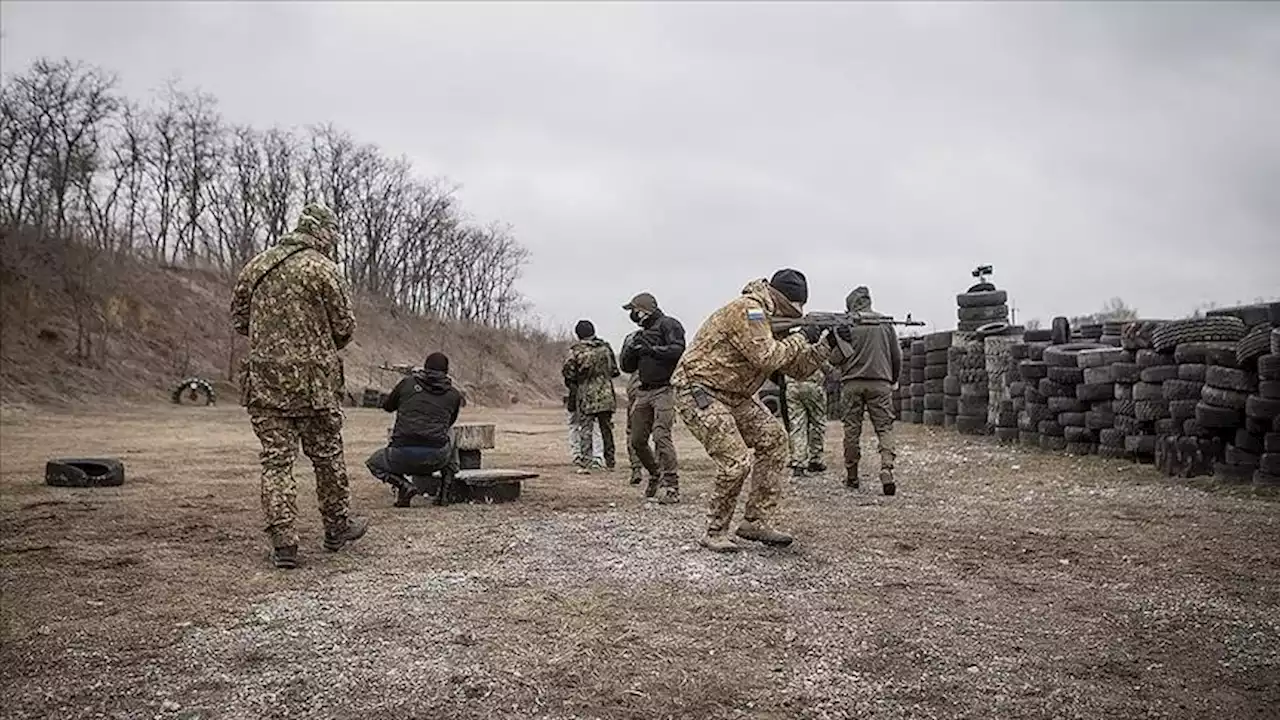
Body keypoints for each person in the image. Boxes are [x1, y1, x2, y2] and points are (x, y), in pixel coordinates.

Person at [230, 202, 369, 569]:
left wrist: (273, 342)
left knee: (276, 462)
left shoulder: (256, 266)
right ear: (324, 232)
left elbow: (240, 321)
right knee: (326, 457)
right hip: (315, 386)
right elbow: (344, 328)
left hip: (265, 384)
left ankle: (284, 544)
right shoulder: (324, 269)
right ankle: (336, 528)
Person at [670, 269, 829, 552]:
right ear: (781, 300)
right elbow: (766, 357)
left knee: (774, 440)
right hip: (699, 390)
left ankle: (756, 522)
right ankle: (715, 531)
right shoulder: (749, 310)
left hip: (734, 395)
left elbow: (798, 369)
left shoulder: (772, 321)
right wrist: (802, 336)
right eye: (796, 307)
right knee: (736, 461)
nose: (799, 312)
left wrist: (827, 345)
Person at [827, 285, 902, 495]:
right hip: (881, 382)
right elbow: (897, 356)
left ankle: (852, 476)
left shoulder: (847, 325)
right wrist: (893, 379)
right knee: (885, 428)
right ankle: (886, 469)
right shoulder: (885, 323)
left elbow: (834, 358)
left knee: (852, 431)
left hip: (852, 384)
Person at [365, 352, 464, 508]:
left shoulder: (407, 384)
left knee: (373, 463)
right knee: (450, 433)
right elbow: (449, 422)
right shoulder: (454, 395)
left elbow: (387, 407)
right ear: (446, 371)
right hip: (436, 457)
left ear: (424, 368)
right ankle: (444, 493)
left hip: (401, 455)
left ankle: (404, 486)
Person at [618, 292, 686, 503]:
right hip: (643, 391)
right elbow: (626, 367)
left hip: (664, 389)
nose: (633, 315)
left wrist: (652, 349)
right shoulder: (639, 334)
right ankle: (655, 473)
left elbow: (678, 350)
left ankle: (671, 485)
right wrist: (632, 350)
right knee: (637, 440)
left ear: (644, 310)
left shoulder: (669, 324)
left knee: (661, 436)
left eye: (634, 311)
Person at [562, 319, 620, 474]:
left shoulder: (576, 351)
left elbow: (568, 373)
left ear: (578, 334)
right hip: (606, 394)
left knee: (585, 429)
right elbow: (614, 371)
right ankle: (610, 461)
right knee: (606, 429)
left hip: (586, 395)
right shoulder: (606, 348)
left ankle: (586, 462)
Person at [785, 367, 828, 477]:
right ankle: (815, 459)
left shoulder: (790, 348)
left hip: (792, 385)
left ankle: (798, 463)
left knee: (797, 424)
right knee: (817, 423)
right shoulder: (815, 349)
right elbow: (826, 364)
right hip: (812, 383)